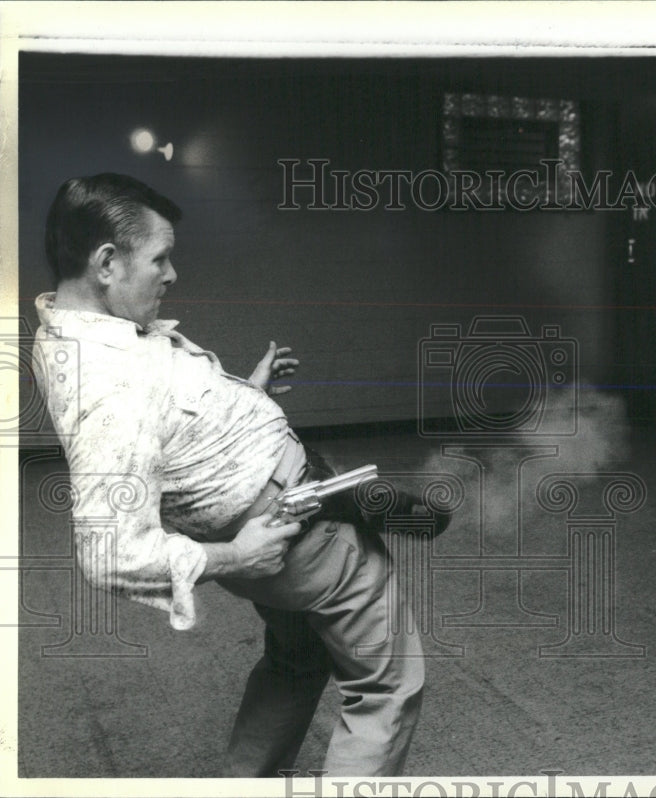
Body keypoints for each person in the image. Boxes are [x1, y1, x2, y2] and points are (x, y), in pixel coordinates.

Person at [31, 173, 424, 777]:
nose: (171, 274)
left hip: (270, 534)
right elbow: (109, 550)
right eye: (160, 259)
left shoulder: (68, 329)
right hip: (302, 540)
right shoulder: (109, 386)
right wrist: (236, 557)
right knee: (386, 685)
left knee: (296, 662)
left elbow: (163, 422)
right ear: (106, 262)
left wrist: (241, 397)